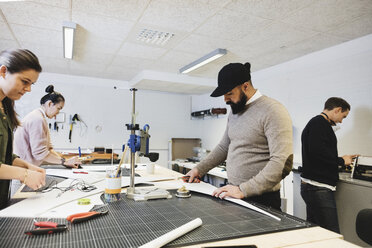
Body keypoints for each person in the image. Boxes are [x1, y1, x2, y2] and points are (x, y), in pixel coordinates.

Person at [186, 63, 293, 210]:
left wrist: (243, 189)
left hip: (261, 198)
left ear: (245, 86)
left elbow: (283, 163)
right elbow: (224, 147)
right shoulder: (235, 112)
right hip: (233, 192)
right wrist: (199, 169)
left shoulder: (273, 111)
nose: (225, 100)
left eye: (229, 93)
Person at [300, 97, 357, 233]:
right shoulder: (318, 124)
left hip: (314, 187)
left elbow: (319, 151)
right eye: (343, 116)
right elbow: (318, 153)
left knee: (315, 232)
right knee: (332, 233)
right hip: (318, 188)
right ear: (337, 110)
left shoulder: (317, 124)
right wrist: (342, 161)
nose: (341, 121)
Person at [0, 49, 46, 209]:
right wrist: (23, 174)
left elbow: (4, 154)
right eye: (24, 81)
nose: (28, 89)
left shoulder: (5, 106)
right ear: (4, 71)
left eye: (31, 84)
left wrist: (26, 166)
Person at [14, 85, 81, 168]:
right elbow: (40, 154)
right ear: (50, 104)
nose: (58, 112)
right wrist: (64, 161)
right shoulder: (37, 119)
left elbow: (49, 149)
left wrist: (65, 161)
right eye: (58, 108)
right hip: (23, 170)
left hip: (27, 168)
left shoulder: (39, 117)